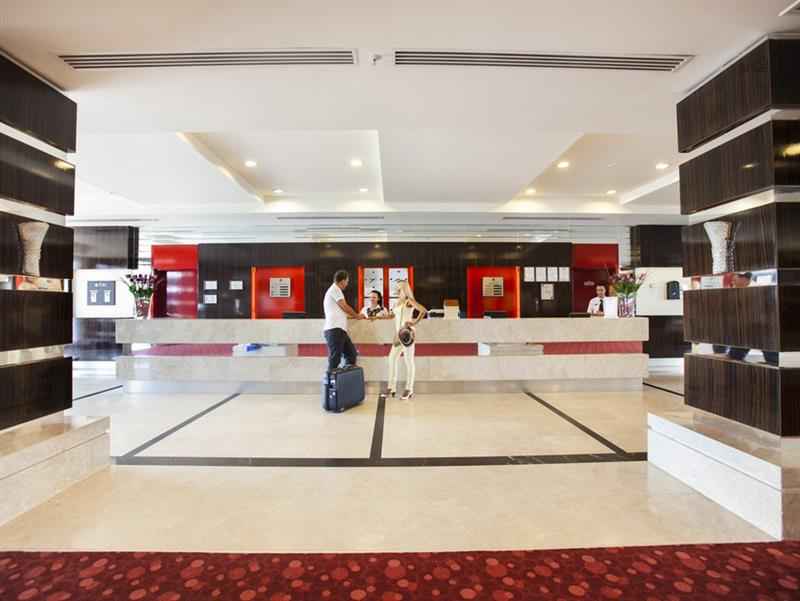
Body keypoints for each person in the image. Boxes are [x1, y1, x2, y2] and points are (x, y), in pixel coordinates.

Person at [715, 272, 778, 366]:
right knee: (738, 349)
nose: (732, 282)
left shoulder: (759, 289)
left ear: (744, 278)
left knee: (771, 356)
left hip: (763, 328)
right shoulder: (742, 291)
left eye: (734, 279)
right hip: (749, 329)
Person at [386, 280, 427, 400]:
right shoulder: (397, 303)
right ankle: (391, 388)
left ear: (405, 289)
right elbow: (394, 316)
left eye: (401, 288)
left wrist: (414, 322)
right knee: (392, 359)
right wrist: (378, 316)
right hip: (398, 334)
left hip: (407, 334)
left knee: (408, 361)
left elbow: (423, 310)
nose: (399, 290)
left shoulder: (409, 301)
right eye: (398, 288)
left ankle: (409, 389)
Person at [323, 270, 364, 372]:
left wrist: (350, 316)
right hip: (334, 329)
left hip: (340, 330)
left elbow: (341, 310)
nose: (347, 284)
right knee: (335, 358)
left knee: (351, 354)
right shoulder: (335, 289)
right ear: (343, 281)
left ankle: (347, 378)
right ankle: (331, 380)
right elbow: (344, 306)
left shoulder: (335, 290)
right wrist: (357, 316)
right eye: (347, 281)